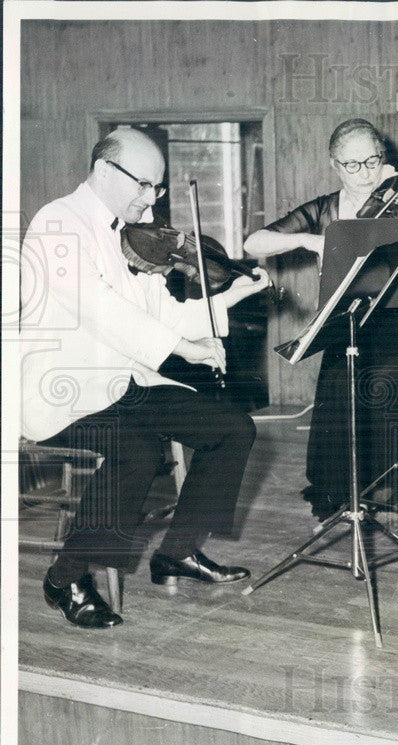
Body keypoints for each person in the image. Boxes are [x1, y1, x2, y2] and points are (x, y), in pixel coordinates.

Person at [21, 127, 272, 628]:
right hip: (64, 391)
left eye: (157, 188)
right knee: (137, 449)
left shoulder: (131, 239)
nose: (153, 200)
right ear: (104, 170)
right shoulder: (58, 223)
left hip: (124, 383)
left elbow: (167, 314)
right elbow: (101, 311)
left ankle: (178, 551)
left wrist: (231, 299)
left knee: (233, 428)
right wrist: (185, 349)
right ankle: (65, 577)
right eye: (145, 185)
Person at [244, 119, 398, 519]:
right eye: (353, 165)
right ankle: (352, 487)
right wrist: (307, 239)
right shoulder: (324, 209)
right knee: (350, 383)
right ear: (335, 165)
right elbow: (254, 243)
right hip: (351, 323)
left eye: (373, 161)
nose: (365, 173)